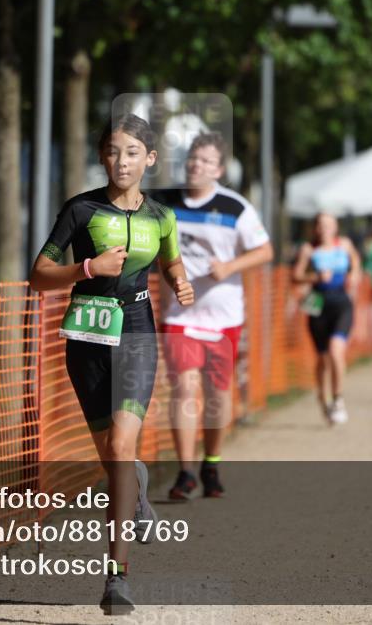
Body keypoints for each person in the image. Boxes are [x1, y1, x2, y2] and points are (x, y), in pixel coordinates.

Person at [28, 114, 194, 615]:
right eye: (112, 151)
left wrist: (180, 282)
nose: (121, 161)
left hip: (138, 333)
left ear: (149, 159)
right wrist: (86, 269)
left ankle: (116, 577)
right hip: (87, 338)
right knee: (111, 456)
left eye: (130, 152)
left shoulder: (162, 216)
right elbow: (37, 275)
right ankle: (136, 488)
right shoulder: (81, 210)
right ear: (103, 157)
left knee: (122, 447)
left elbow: (171, 259)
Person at [152, 132, 273, 500]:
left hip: (224, 317)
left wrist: (230, 266)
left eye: (204, 160)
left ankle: (212, 462)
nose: (195, 165)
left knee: (217, 395)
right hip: (180, 315)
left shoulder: (236, 207)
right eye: (192, 158)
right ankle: (186, 472)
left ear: (219, 169)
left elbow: (265, 251)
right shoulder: (163, 202)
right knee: (185, 389)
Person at [292, 213, 361, 425]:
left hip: (342, 303)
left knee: (335, 350)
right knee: (322, 359)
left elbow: (356, 261)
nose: (325, 230)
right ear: (315, 229)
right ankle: (323, 399)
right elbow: (295, 275)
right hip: (318, 305)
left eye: (329, 225)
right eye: (321, 226)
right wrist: (315, 277)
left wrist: (355, 274)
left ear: (335, 227)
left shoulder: (345, 245)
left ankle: (338, 399)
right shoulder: (308, 250)